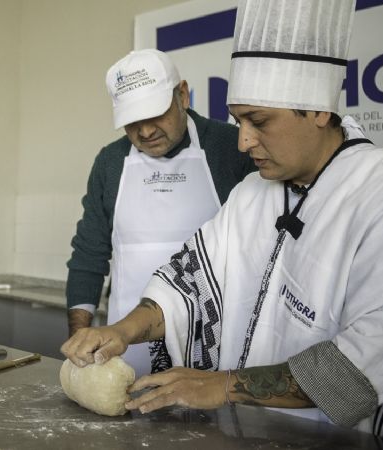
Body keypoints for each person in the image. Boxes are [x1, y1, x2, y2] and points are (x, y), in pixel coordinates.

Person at [61, 1, 383, 448]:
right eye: (239, 121)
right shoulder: (254, 193)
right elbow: (187, 287)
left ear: (319, 111)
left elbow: (355, 376)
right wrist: (120, 331)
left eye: (258, 121)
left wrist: (224, 386)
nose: (244, 141)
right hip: (256, 435)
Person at [66, 49, 255, 378]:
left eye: (155, 114)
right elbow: (88, 255)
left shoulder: (231, 148)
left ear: (182, 95)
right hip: (124, 349)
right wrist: (79, 337)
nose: (145, 132)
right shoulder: (110, 162)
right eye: (132, 122)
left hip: (213, 351)